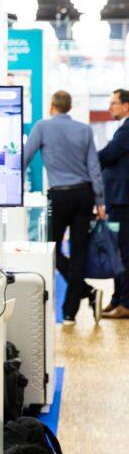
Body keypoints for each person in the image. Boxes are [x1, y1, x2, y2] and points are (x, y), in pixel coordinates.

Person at [23, 90, 106, 323]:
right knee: (79, 252)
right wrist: (100, 201)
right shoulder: (84, 129)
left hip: (59, 196)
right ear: (69, 107)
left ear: (52, 106)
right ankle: (71, 311)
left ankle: (86, 292)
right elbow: (94, 168)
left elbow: (25, 157)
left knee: (51, 248)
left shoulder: (42, 127)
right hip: (84, 195)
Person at [99, 89, 129, 319]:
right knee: (117, 251)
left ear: (126, 105)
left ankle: (126, 303)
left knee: (124, 252)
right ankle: (117, 298)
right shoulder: (122, 128)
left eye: (114, 103)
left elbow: (108, 154)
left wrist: (88, 161)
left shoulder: (127, 130)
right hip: (117, 200)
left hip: (123, 201)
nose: (110, 108)